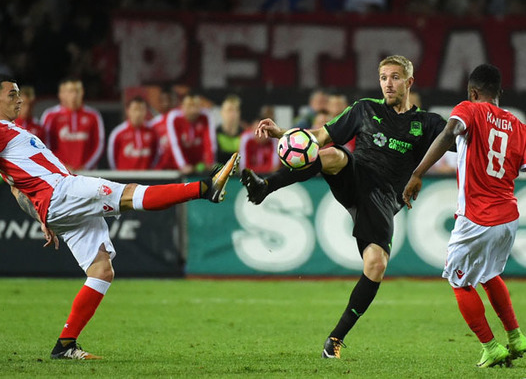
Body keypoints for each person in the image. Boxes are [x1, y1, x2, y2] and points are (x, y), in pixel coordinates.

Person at [0, 74, 241, 360]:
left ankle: (65, 345)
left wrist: (43, 216)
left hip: (56, 204)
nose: (19, 99)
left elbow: (18, 187)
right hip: (62, 192)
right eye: (12, 94)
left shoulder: (12, 132)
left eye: (18, 93)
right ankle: (206, 188)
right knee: (130, 194)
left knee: (101, 270)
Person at [241, 55, 447, 359]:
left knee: (376, 265)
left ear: (409, 82)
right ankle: (264, 187)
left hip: (384, 199)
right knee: (333, 154)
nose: (388, 84)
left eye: (395, 77)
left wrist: (421, 173)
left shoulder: (427, 123)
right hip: (356, 177)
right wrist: (282, 133)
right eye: (383, 78)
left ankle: (335, 339)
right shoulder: (365, 109)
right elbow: (319, 137)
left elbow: (460, 139)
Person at [402, 64, 526, 368]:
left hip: (477, 216)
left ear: (473, 92)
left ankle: (491, 347)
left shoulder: (469, 109)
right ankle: (516, 337)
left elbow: (450, 132)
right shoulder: (518, 126)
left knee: (458, 281)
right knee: (488, 274)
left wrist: (417, 173)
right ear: (499, 92)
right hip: (508, 216)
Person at [40, 77, 105, 171]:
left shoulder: (93, 116)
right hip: (59, 172)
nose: (74, 95)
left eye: (77, 91)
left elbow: (98, 145)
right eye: (70, 91)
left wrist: (86, 167)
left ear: (82, 92)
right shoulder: (50, 116)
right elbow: (44, 145)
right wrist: (61, 166)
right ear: (62, 94)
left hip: (87, 173)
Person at [157, 95, 215, 174]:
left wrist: (210, 161)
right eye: (189, 106)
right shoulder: (174, 117)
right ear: (182, 106)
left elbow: (209, 141)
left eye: (196, 106)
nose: (193, 110)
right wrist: (182, 165)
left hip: (198, 167)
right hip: (174, 167)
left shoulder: (205, 116)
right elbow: (174, 144)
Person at [107, 97, 158, 170]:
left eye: (142, 109)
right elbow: (112, 159)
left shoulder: (153, 132)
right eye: (135, 109)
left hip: (147, 175)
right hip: (124, 175)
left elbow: (156, 156)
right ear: (128, 111)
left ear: (146, 111)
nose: (138, 113)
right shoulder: (118, 133)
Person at [216, 95, 243, 164]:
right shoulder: (214, 134)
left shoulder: (244, 136)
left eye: (236, 110)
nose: (233, 114)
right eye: (229, 110)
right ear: (222, 112)